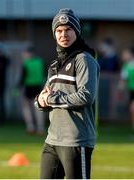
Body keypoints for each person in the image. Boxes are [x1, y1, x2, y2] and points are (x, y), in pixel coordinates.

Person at [34, 8, 100, 179]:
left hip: (76, 141)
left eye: (68, 29)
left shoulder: (84, 60)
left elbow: (86, 96)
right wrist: (41, 102)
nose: (64, 34)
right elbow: (44, 97)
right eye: (59, 30)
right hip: (52, 140)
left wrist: (50, 99)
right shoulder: (54, 65)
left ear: (77, 31)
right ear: (55, 34)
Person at [20, 46, 46, 135]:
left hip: (29, 87)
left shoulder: (26, 63)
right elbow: (44, 74)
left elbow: (23, 77)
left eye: (25, 53)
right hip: (39, 87)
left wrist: (17, 87)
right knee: (38, 108)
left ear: (29, 53)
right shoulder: (40, 61)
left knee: (26, 107)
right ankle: (41, 128)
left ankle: (30, 126)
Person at [120, 46, 134, 133]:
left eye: (125, 54)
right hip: (131, 92)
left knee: (133, 109)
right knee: (132, 111)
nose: (123, 56)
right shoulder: (125, 66)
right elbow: (123, 80)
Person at [0, 46, 10, 125]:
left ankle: (2, 120)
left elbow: (8, 59)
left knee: (1, 103)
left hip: (1, 85)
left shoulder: (3, 59)